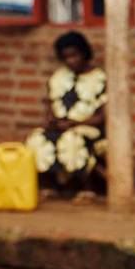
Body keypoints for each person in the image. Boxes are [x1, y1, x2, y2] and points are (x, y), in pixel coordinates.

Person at [25, 31, 107, 196]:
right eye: (66, 57)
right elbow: (49, 104)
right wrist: (53, 121)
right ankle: (50, 185)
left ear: (84, 53)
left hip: (87, 127)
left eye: (74, 56)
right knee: (37, 139)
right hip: (62, 125)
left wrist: (75, 124)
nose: (71, 61)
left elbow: (101, 116)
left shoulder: (100, 78)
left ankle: (85, 187)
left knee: (73, 141)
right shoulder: (59, 77)